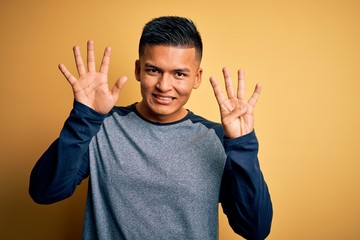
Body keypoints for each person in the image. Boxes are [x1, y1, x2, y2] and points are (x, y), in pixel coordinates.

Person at [29, 16, 272, 240]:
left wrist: (242, 146)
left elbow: (255, 228)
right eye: (154, 70)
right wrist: (84, 118)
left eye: (179, 74)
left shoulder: (217, 139)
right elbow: (45, 192)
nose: (164, 86)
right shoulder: (101, 125)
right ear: (138, 70)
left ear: (196, 78)